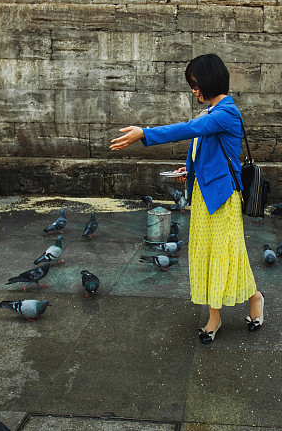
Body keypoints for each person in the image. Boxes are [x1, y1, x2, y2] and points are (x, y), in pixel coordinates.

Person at [110, 53, 264, 344]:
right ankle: (221, 313)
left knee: (224, 255)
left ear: (210, 80)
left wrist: (144, 133)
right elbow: (205, 149)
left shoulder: (226, 112)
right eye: (191, 84)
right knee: (209, 255)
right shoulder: (209, 112)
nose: (193, 90)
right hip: (204, 193)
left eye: (196, 84)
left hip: (222, 197)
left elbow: (190, 129)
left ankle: (248, 301)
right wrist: (188, 171)